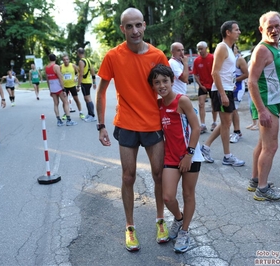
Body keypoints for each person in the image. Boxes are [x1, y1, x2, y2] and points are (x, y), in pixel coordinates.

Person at [95, 7, 170, 252]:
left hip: (153, 124)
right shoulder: (113, 56)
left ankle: (160, 220)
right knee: (128, 177)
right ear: (122, 29)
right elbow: (102, 91)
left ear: (145, 25)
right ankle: (130, 227)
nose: (135, 30)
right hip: (126, 123)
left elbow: (167, 91)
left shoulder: (158, 55)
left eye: (138, 25)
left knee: (159, 175)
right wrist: (101, 125)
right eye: (129, 26)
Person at [148, 64, 203, 253]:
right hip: (170, 157)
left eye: (165, 81)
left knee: (188, 195)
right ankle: (179, 219)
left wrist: (189, 154)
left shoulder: (183, 101)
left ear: (172, 81)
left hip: (190, 155)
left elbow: (196, 128)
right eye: (157, 82)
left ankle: (185, 231)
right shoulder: (158, 104)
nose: (162, 85)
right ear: (153, 86)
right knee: (168, 197)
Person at [248, 11, 280, 201]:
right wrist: (262, 110)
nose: (274, 30)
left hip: (274, 102)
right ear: (261, 29)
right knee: (271, 147)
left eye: (277, 26)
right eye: (269, 27)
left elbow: (276, 78)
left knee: (262, 144)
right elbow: (252, 82)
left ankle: (256, 180)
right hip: (267, 105)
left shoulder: (275, 48)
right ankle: (262, 190)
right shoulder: (263, 49)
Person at [200, 21, 245, 167]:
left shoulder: (230, 49)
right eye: (236, 30)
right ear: (228, 32)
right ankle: (227, 156)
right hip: (222, 90)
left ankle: (205, 147)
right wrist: (223, 94)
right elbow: (215, 72)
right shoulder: (222, 47)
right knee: (226, 124)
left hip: (227, 89)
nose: (239, 32)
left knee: (225, 123)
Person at [45, 53, 76, 127]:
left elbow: (47, 80)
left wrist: (50, 90)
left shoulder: (46, 67)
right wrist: (64, 89)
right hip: (58, 87)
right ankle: (68, 120)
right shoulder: (56, 66)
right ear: (55, 59)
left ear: (49, 59)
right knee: (65, 102)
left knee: (56, 104)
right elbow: (60, 78)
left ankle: (59, 120)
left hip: (52, 88)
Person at [193, 41, 216, 133]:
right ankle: (202, 124)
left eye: (201, 48)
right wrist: (200, 85)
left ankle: (214, 122)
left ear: (206, 48)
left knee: (214, 105)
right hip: (202, 85)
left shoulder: (212, 58)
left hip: (213, 85)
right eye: (198, 49)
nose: (200, 51)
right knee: (201, 104)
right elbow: (195, 75)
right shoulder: (197, 60)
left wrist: (215, 83)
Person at [230, 44, 248, 143]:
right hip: (229, 87)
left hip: (238, 88)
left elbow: (246, 74)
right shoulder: (226, 59)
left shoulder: (240, 60)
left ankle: (237, 132)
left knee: (233, 110)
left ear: (237, 50)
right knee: (230, 110)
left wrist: (233, 80)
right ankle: (236, 131)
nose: (232, 50)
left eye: (234, 48)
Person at [60, 54, 85, 120]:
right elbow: (58, 75)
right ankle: (65, 113)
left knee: (76, 99)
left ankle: (81, 112)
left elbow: (79, 72)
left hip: (72, 86)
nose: (66, 61)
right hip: (65, 86)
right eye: (64, 60)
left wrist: (76, 77)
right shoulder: (61, 67)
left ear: (69, 60)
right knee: (65, 102)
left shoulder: (73, 66)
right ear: (63, 61)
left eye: (67, 59)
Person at [77, 47, 97, 122]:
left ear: (78, 53)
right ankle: (89, 114)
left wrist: (78, 85)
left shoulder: (81, 61)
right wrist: (94, 82)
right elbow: (93, 71)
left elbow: (81, 74)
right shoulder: (88, 60)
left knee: (88, 98)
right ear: (84, 53)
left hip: (85, 83)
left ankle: (92, 115)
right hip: (88, 82)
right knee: (87, 98)